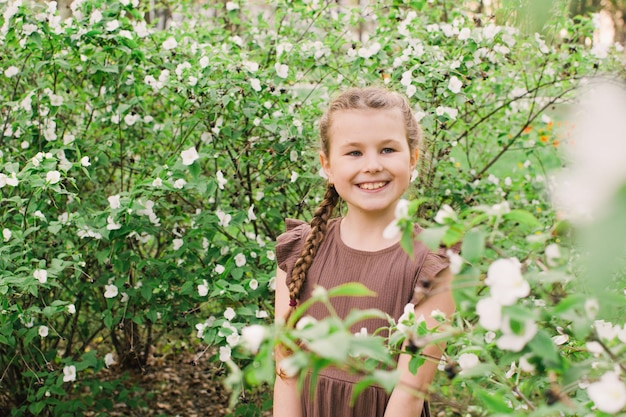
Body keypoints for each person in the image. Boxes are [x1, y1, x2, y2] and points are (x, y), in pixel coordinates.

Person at [273, 86, 456, 417]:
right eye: (354, 153)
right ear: (327, 165)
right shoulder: (300, 251)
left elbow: (409, 395)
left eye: (387, 149)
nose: (372, 165)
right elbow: (286, 374)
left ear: (412, 158)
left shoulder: (433, 263)